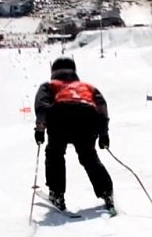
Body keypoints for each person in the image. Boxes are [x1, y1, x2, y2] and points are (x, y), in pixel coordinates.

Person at [34, 57, 113, 211]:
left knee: (55, 154)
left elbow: (42, 106)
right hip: (87, 118)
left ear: (53, 71)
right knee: (89, 156)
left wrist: (40, 129)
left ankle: (57, 194)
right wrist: (103, 133)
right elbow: (101, 107)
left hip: (60, 117)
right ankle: (106, 192)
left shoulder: (50, 85)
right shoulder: (88, 87)